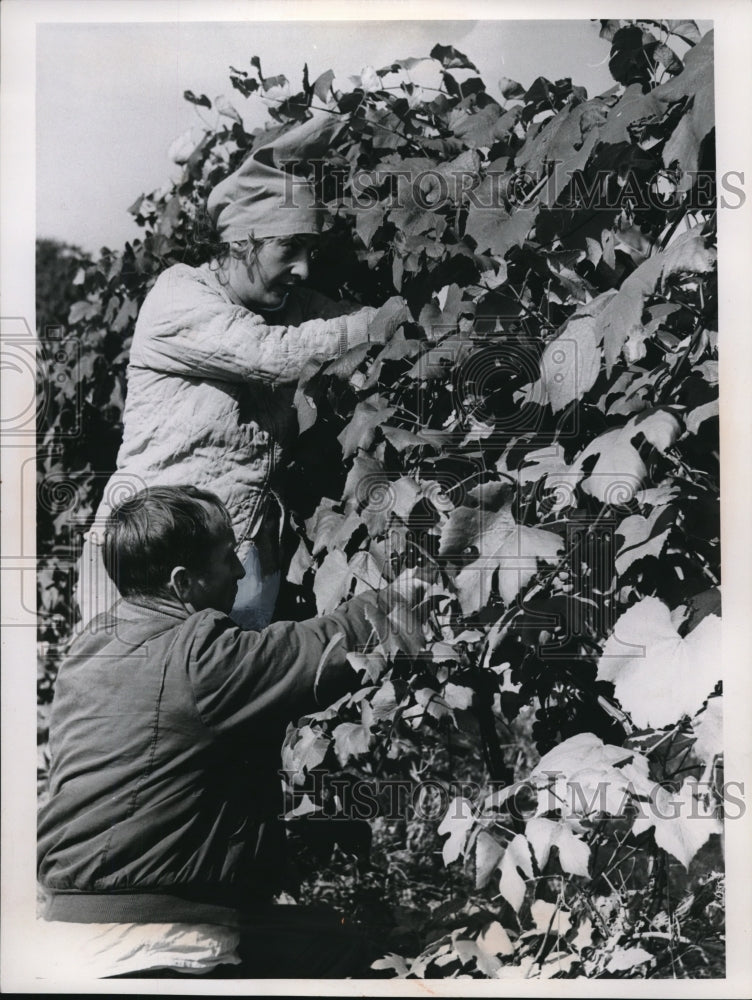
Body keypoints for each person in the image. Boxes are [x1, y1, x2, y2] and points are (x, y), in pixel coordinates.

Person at [38, 485, 422, 979]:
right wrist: (409, 595)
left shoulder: (88, 648)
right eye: (226, 559)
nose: (241, 571)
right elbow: (314, 650)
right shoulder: (201, 658)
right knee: (365, 961)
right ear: (182, 582)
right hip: (156, 939)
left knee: (328, 934)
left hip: (68, 925)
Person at [77, 109, 406, 631]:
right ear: (240, 243)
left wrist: (413, 317)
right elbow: (272, 354)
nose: (303, 269)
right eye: (287, 248)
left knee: (230, 705)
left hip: (237, 561)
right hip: (145, 563)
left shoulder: (289, 306)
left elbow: (355, 323)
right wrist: (383, 322)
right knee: (132, 704)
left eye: (311, 250)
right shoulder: (180, 296)